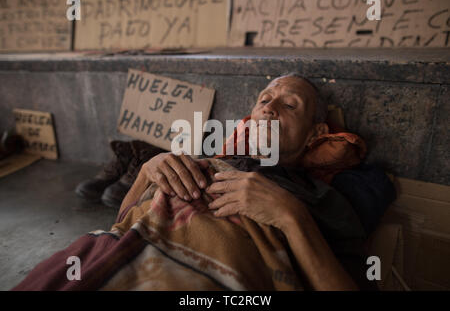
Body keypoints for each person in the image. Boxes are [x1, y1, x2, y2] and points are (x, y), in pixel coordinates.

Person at [119, 73, 372, 290]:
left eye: (290, 106)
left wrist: (290, 215)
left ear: (315, 134)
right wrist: (145, 174)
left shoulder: (322, 200)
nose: (269, 108)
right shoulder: (207, 162)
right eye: (264, 100)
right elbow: (119, 231)